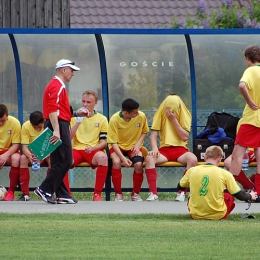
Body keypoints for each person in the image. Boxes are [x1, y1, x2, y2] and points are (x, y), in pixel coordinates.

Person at [34, 59, 89, 204]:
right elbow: (52, 110)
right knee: (65, 160)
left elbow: (61, 110)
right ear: (64, 70)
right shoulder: (57, 85)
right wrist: (57, 130)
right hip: (58, 125)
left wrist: (76, 114)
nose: (73, 74)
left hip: (59, 123)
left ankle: (62, 194)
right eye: (72, 71)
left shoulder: (57, 85)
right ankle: (44, 189)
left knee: (60, 160)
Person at [177, 145, 257, 220]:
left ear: (205, 158)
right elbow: (239, 194)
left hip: (195, 215)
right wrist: (250, 196)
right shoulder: (225, 174)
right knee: (229, 195)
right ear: (220, 159)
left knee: (191, 197)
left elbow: (180, 186)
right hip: (219, 215)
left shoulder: (192, 170)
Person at [145, 94, 197, 202]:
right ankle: (153, 193)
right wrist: (154, 149)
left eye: (174, 108)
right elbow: (153, 136)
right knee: (149, 158)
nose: (171, 111)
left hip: (181, 149)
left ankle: (182, 192)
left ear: (179, 107)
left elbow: (184, 137)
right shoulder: (159, 114)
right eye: (168, 108)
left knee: (192, 159)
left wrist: (173, 120)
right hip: (164, 150)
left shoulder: (185, 114)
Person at [17, 111, 72, 201]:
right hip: (33, 154)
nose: (38, 130)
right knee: (23, 158)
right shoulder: (26, 126)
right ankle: (25, 194)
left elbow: (54, 146)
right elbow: (24, 147)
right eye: (34, 127)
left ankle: (50, 192)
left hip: (47, 153)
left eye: (39, 127)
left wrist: (43, 155)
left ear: (43, 123)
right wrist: (30, 156)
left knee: (53, 160)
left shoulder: (49, 125)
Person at [229, 46, 260, 201]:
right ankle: (258, 191)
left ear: (248, 58)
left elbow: (242, 85)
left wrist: (250, 101)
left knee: (236, 156)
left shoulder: (251, 70)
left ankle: (231, 192)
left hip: (252, 119)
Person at [107, 98, 149, 201]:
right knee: (116, 162)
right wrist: (123, 159)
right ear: (126, 113)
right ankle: (118, 194)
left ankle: (135, 194)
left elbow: (145, 132)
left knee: (138, 164)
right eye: (135, 113)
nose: (138, 114)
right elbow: (113, 142)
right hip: (117, 146)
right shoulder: (114, 119)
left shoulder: (141, 116)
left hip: (133, 146)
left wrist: (137, 144)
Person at [70, 90, 108, 201]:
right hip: (76, 149)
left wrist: (93, 148)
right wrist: (78, 121)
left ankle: (97, 194)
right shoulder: (73, 117)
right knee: (63, 159)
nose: (85, 104)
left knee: (103, 158)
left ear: (95, 103)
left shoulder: (102, 119)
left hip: (93, 150)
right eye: (83, 101)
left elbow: (104, 143)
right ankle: (67, 193)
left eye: (89, 102)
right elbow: (69, 138)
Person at [0, 104, 21, 201]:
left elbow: (16, 144)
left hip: (9, 151)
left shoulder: (15, 123)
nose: (0, 123)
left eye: (3, 120)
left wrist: (5, 155)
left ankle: (11, 192)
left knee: (16, 158)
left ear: (7, 115)